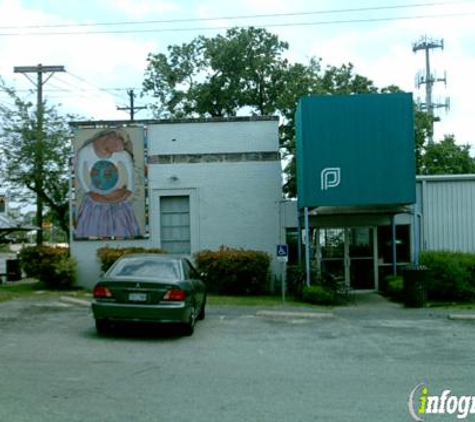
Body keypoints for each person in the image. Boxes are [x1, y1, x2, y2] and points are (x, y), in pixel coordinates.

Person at [74, 128, 141, 238]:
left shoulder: (123, 154)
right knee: (94, 227)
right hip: (95, 199)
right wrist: (92, 194)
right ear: (111, 135)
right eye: (115, 144)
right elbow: (80, 175)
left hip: (118, 199)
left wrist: (123, 195)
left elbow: (131, 180)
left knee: (122, 228)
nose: (116, 149)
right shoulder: (85, 152)